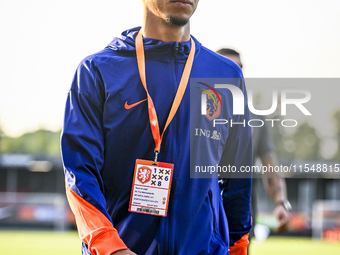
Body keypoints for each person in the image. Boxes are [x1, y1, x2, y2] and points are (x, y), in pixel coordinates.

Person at [61, 1, 253, 254]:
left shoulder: (226, 75)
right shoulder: (97, 71)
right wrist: (110, 247)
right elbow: (79, 172)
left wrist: (237, 248)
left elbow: (238, 177)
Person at [216, 48, 291, 252]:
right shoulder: (194, 110)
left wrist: (281, 203)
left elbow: (270, 164)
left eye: (238, 68)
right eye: (227, 67)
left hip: (241, 213)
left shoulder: (255, 118)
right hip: (202, 210)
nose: (233, 73)